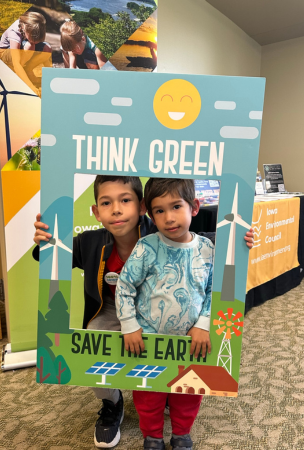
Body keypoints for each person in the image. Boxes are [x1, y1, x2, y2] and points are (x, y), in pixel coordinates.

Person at [33, 176, 254, 449]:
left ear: (141, 208)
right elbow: (51, 258)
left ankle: (169, 393)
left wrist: (241, 240)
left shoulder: (160, 226)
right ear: (96, 212)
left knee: (181, 360)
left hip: (167, 312)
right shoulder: (90, 242)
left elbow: (201, 245)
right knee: (93, 345)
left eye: (125, 200)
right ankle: (111, 402)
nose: (116, 209)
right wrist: (47, 241)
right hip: (113, 308)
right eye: (106, 203)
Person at [114, 179, 219, 450]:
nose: (169, 218)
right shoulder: (146, 248)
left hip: (191, 341)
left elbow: (213, 291)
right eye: (159, 211)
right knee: (149, 396)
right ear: (150, 214)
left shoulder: (207, 249)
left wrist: (204, 324)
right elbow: (124, 287)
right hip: (148, 339)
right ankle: (153, 437)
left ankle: (182, 434)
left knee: (189, 393)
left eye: (176, 207)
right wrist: (129, 325)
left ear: (194, 207)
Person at [0, 11, 52, 96]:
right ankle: (19, 76)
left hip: (22, 50)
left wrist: (50, 78)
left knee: (47, 48)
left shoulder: (32, 27)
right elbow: (16, 64)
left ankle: (28, 70)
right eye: (33, 37)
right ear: (23, 27)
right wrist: (32, 87)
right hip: (5, 55)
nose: (36, 41)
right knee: (30, 46)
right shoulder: (14, 33)